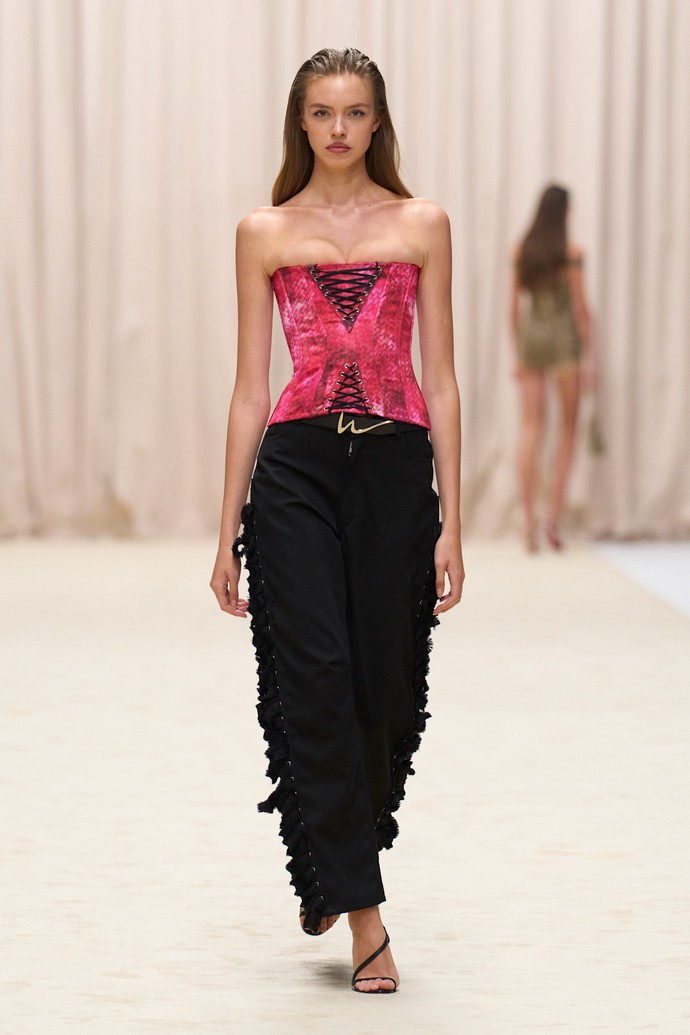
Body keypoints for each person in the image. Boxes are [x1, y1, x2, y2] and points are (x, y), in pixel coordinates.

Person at [210, 47, 463, 994]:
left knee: (385, 685)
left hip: (396, 468)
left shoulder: (422, 223)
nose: (339, 129)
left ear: (377, 120)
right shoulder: (265, 231)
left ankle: (326, 850)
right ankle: (364, 914)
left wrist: (456, 519)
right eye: (322, 112)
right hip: (297, 469)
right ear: (301, 123)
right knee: (313, 671)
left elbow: (441, 379)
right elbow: (249, 388)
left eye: (355, 112)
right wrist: (226, 528)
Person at [510, 184, 595, 551]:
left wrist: (517, 353)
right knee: (567, 430)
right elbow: (580, 309)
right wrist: (590, 358)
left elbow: (513, 308)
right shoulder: (571, 254)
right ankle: (552, 520)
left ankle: (528, 518)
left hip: (532, 340)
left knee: (531, 427)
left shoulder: (523, 251)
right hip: (563, 343)